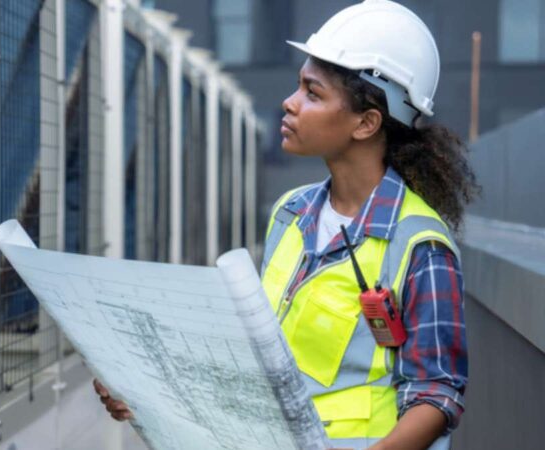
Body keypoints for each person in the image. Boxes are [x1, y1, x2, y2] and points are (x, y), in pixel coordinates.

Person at [94, 1, 477, 449]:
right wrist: (147, 391)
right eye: (299, 88)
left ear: (366, 122)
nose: (289, 103)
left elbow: (436, 394)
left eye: (312, 94)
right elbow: (264, 363)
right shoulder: (291, 212)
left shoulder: (419, 244)